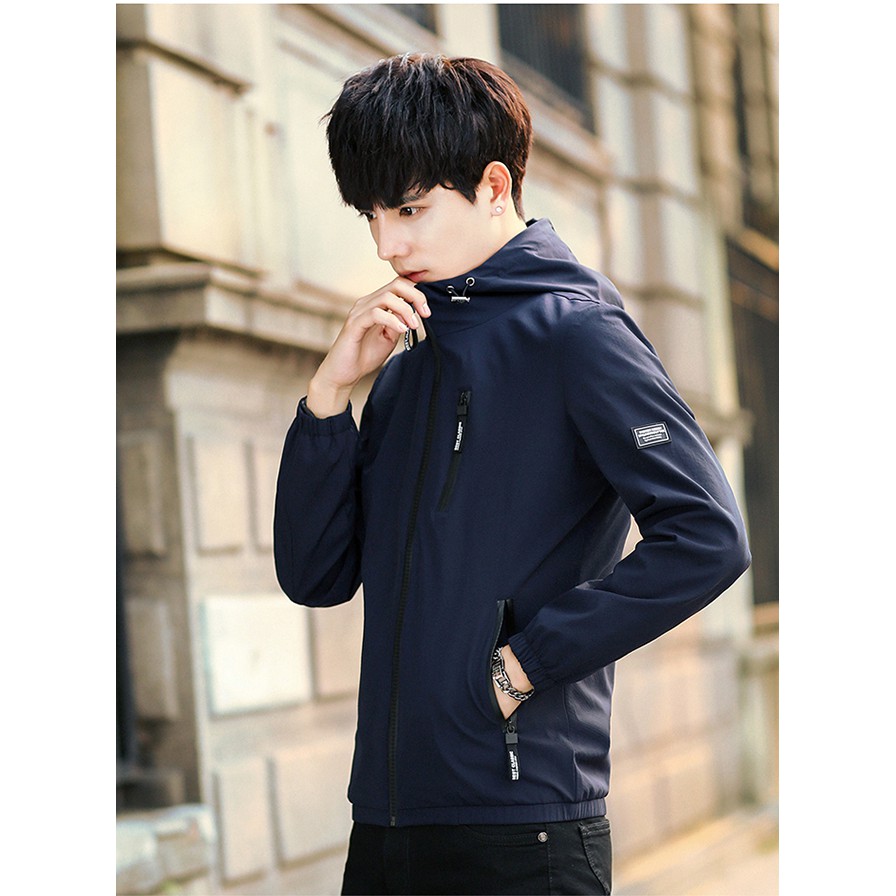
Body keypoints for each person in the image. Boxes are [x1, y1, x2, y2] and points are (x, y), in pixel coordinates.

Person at [274, 53, 750, 896]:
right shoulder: (406, 363)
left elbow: (708, 537)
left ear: (495, 186)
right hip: (386, 826)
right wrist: (328, 396)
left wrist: (522, 666)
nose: (387, 244)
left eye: (410, 209)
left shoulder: (577, 333)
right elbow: (315, 576)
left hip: (524, 832)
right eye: (373, 215)